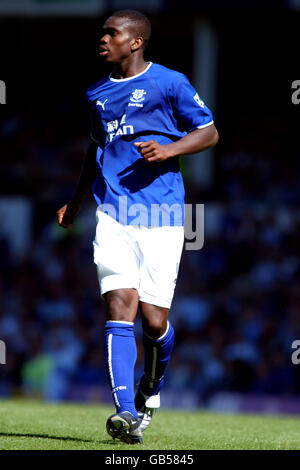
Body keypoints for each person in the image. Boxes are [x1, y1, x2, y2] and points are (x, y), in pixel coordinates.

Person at [57, 9, 218, 445]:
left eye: (113, 33)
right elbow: (96, 153)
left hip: (163, 216)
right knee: (120, 305)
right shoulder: (96, 93)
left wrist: (169, 150)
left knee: (154, 319)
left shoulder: (170, 83)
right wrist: (74, 206)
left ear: (136, 42)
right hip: (111, 212)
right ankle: (125, 412)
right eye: (102, 32)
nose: (103, 38)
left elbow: (208, 133)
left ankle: (150, 388)